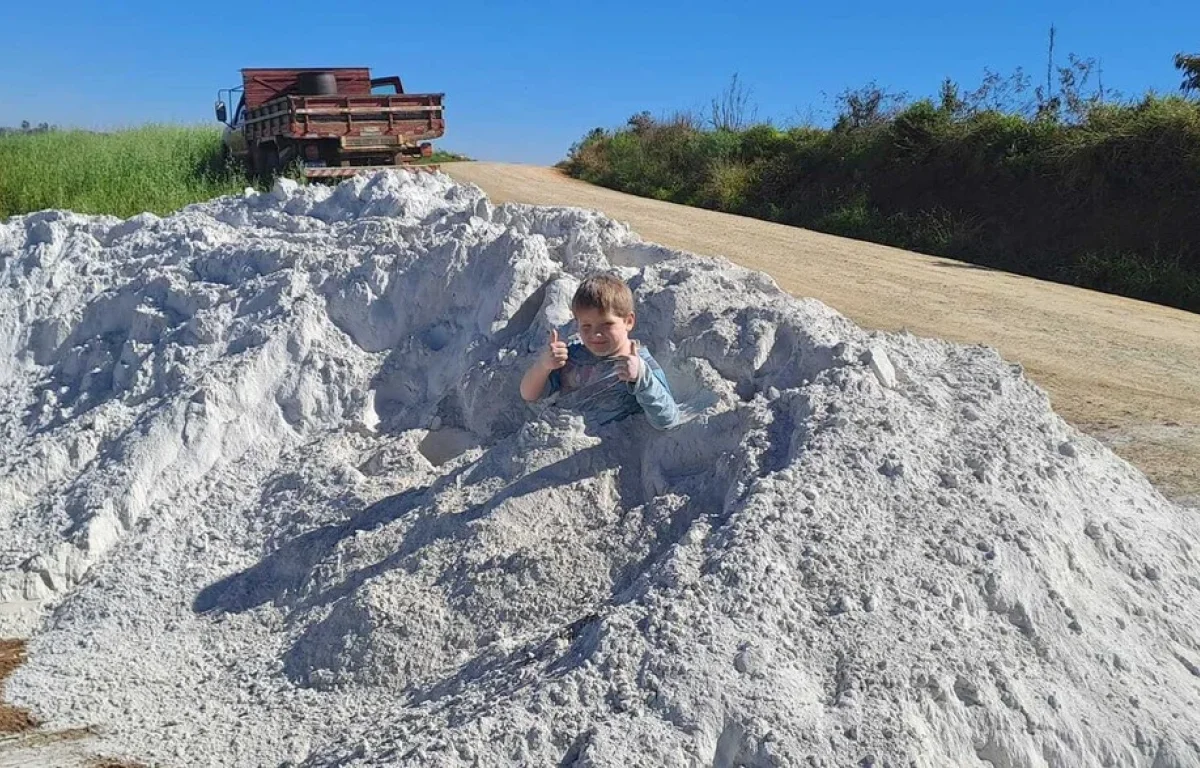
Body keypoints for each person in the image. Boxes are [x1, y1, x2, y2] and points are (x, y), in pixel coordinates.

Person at [520, 274, 680, 430]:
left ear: (628, 321)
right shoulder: (573, 357)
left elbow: (668, 420)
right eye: (586, 326)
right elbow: (529, 394)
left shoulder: (640, 364)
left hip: (603, 448)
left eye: (606, 324)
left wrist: (641, 378)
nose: (596, 334)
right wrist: (543, 365)